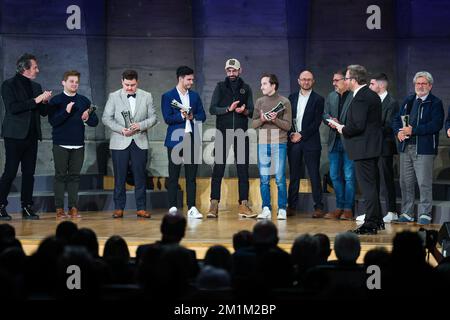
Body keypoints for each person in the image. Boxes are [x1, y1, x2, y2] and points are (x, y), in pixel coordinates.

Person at [0, 53, 52, 220]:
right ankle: (1, 205)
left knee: (29, 173)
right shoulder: (8, 85)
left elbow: (43, 113)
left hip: (31, 136)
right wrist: (36, 100)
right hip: (14, 136)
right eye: (35, 67)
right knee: (10, 171)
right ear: (25, 69)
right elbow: (13, 108)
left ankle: (27, 206)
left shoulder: (36, 86)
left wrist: (44, 101)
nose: (38, 70)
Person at [102, 70, 157, 219]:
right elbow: (106, 118)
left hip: (139, 140)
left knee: (140, 176)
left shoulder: (147, 96)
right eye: (127, 85)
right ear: (122, 82)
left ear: (137, 82)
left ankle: (141, 208)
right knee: (119, 177)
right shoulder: (114, 96)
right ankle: (119, 208)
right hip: (120, 141)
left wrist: (140, 125)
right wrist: (121, 130)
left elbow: (153, 118)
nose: (129, 88)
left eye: (132, 85)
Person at [336, 65, 383, 235]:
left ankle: (370, 224)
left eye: (346, 78)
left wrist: (343, 129)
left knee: (368, 187)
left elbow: (358, 125)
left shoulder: (361, 97)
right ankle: (376, 220)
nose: (345, 81)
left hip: (364, 149)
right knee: (371, 186)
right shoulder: (371, 95)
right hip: (369, 148)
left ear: (354, 80)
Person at [392, 71, 444, 225]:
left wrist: (413, 130)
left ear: (430, 86)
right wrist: (398, 133)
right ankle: (407, 213)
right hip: (406, 147)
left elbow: (436, 125)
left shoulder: (435, 103)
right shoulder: (408, 100)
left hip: (424, 149)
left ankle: (425, 213)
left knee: (423, 183)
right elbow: (396, 120)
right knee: (405, 182)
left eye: (423, 83)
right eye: (418, 83)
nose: (420, 86)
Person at [48, 70, 99, 219]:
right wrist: (66, 111)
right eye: (71, 81)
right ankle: (59, 208)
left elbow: (94, 122)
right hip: (61, 144)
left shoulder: (83, 100)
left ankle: (73, 207)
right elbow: (53, 121)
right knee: (60, 176)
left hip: (78, 144)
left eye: (77, 82)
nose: (74, 84)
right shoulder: (56, 101)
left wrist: (87, 117)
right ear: (63, 82)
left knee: (75, 177)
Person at [207, 58, 255, 218]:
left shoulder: (246, 88)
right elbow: (212, 109)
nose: (232, 73)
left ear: (240, 70)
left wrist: (244, 111)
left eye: (234, 70)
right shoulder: (220, 87)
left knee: (243, 170)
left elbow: (253, 111)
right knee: (218, 168)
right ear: (226, 71)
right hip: (223, 133)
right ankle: (214, 204)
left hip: (241, 133)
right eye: (229, 70)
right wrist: (228, 109)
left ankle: (244, 204)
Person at [161, 66, 206, 218]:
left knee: (191, 176)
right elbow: (167, 118)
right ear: (180, 78)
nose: (191, 82)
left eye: (192, 79)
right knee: (173, 175)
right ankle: (172, 206)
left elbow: (203, 115)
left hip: (192, 139)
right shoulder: (168, 96)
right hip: (175, 140)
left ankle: (192, 207)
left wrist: (193, 116)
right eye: (189, 79)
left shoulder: (194, 96)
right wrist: (181, 116)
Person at [357, 73, 399, 223]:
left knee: (386, 180)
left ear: (380, 85)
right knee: (372, 180)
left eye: (372, 84)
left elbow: (389, 125)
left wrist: (369, 128)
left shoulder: (391, 103)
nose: (369, 87)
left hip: (384, 146)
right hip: (371, 146)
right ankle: (372, 213)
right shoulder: (371, 101)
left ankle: (391, 211)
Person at [252, 73, 292, 220]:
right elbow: (254, 123)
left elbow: (288, 126)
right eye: (261, 84)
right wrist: (262, 119)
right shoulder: (260, 101)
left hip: (279, 141)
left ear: (273, 85)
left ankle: (282, 208)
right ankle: (266, 208)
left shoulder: (285, 101)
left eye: (264, 84)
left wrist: (275, 120)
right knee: (264, 178)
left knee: (280, 178)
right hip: (263, 141)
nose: (261, 86)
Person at [287, 70, 325, 218]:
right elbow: (288, 119)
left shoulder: (318, 99)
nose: (306, 82)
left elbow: (316, 123)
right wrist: (291, 133)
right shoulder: (292, 98)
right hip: (294, 142)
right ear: (299, 81)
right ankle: (292, 206)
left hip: (311, 142)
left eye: (309, 79)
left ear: (313, 81)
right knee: (294, 174)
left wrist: (301, 134)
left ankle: (319, 207)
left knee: (314, 175)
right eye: (303, 79)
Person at [322, 69, 355, 220]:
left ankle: (348, 209)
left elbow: (357, 119)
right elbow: (325, 114)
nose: (334, 83)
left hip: (348, 141)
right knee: (335, 175)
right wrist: (331, 121)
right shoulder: (331, 96)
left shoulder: (354, 96)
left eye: (337, 80)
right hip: (334, 140)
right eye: (333, 80)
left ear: (345, 81)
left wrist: (342, 123)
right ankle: (339, 207)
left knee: (349, 176)